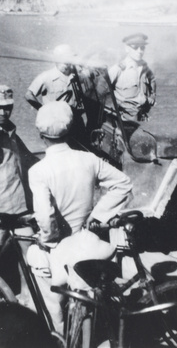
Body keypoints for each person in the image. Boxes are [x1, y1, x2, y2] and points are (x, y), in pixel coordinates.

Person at [27, 101, 132, 332]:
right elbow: (123, 184)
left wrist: (47, 240)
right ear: (70, 127)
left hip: (60, 249)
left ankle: (57, 333)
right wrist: (97, 215)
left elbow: (45, 218)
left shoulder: (39, 171)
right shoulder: (88, 159)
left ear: (40, 134)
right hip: (86, 241)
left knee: (36, 262)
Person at [0, 85, 37, 303]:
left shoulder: (11, 132)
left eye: (8, 108)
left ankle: (27, 294)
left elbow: (25, 158)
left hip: (20, 204)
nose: (3, 113)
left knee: (28, 250)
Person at [108, 33, 157, 122]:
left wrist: (152, 98)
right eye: (135, 47)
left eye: (142, 48)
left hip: (142, 118)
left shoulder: (146, 69)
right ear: (127, 49)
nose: (139, 51)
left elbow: (152, 82)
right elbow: (102, 93)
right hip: (124, 120)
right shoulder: (118, 69)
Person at [25, 44, 81, 110]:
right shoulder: (46, 76)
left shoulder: (78, 76)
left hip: (75, 117)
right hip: (55, 118)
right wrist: (42, 110)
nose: (66, 62)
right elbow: (28, 95)